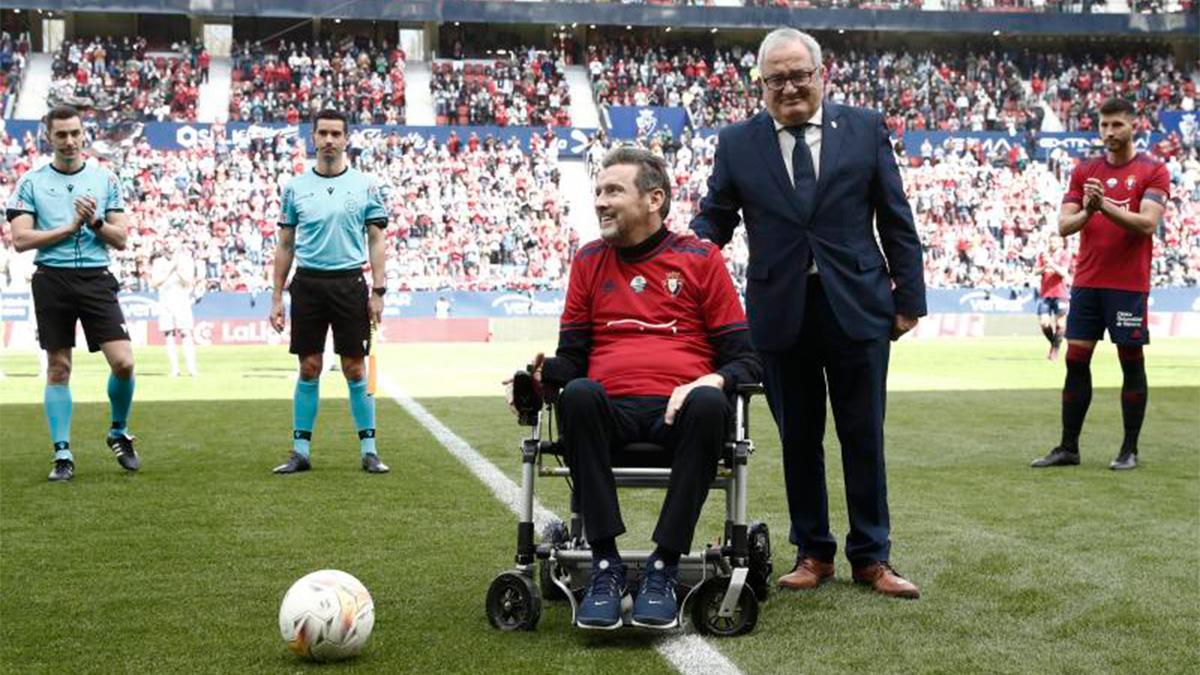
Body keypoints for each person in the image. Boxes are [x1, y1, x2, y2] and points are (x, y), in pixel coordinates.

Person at [690, 28, 926, 599]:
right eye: (777, 79)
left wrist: (909, 300)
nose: (789, 86)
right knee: (799, 438)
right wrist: (679, 258)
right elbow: (715, 219)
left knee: (863, 435)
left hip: (860, 308)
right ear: (762, 85)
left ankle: (872, 557)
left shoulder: (866, 128)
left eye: (799, 74)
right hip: (779, 314)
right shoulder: (737, 142)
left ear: (822, 74)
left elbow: (895, 216)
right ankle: (813, 552)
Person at [510, 147, 761, 630]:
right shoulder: (588, 261)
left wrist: (709, 379)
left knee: (712, 401)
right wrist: (539, 376)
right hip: (610, 415)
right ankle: (604, 565)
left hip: (681, 413)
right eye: (598, 192)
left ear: (654, 199)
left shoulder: (700, 259)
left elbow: (745, 360)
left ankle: (664, 566)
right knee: (579, 393)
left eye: (612, 191)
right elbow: (574, 358)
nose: (600, 202)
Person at [1031, 97, 1169, 472]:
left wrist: (1102, 204)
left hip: (1128, 286)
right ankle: (1068, 447)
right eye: (1104, 125)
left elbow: (1147, 224)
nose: (1109, 132)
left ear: (1133, 125)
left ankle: (1129, 450)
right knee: (1075, 362)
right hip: (1088, 283)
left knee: (1130, 362)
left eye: (1117, 125)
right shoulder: (1084, 170)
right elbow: (1063, 226)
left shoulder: (1153, 171)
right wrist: (1090, 209)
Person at [4, 105, 140, 482]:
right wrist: (68, 227)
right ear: (48, 137)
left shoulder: (105, 179)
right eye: (61, 134)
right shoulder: (30, 182)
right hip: (52, 279)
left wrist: (94, 222)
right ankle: (62, 453)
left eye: (74, 133)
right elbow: (20, 239)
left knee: (124, 362)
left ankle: (118, 431)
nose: (69, 141)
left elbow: (122, 238)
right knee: (59, 367)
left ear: (84, 135)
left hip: (96, 278)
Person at [269, 109, 391, 475]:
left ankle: (369, 450)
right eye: (322, 133)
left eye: (336, 134)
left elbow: (376, 239)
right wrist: (276, 297)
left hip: (350, 283)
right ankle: (300, 451)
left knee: (355, 368)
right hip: (307, 284)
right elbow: (285, 244)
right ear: (312, 137)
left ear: (346, 139)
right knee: (309, 367)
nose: (329, 140)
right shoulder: (294, 187)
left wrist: (379, 290)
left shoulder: (367, 185)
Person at [149, 240, 198, 377]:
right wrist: (170, 270)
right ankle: (175, 369)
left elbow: (189, 282)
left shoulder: (186, 260)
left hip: (182, 302)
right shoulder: (158, 262)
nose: (169, 247)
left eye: (171, 245)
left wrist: (178, 270)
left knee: (186, 333)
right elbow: (154, 283)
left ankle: (191, 368)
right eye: (167, 245)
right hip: (165, 302)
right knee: (168, 334)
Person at [1033, 235, 1070, 361]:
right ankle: (1054, 344)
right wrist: (1044, 267)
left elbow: (1063, 273)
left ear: (1060, 243)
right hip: (1045, 294)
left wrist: (1052, 264)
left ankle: (1055, 351)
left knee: (1060, 324)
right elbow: (1035, 271)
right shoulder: (1043, 255)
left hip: (1060, 294)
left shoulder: (1064, 255)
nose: (1052, 243)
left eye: (1054, 241)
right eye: (1050, 241)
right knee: (1044, 324)